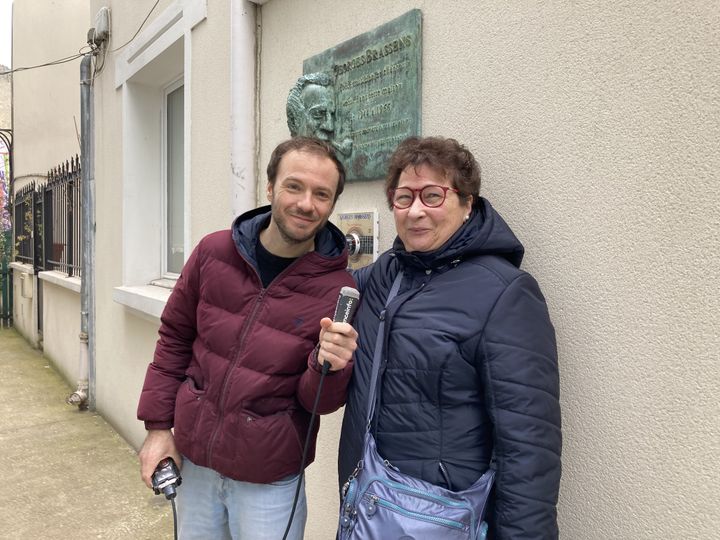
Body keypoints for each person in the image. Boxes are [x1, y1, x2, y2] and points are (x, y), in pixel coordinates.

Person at [338, 136, 562, 538]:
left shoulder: (504, 293)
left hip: (439, 519)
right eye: (404, 198)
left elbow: (529, 446)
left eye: (433, 195)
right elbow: (312, 289)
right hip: (369, 507)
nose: (416, 211)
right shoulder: (387, 273)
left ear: (467, 204)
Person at [137, 137, 358, 540]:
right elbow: (173, 340)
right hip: (196, 463)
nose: (306, 204)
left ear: (331, 205)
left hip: (269, 480)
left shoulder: (337, 289)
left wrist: (331, 365)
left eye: (321, 194)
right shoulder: (213, 252)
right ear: (271, 187)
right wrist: (157, 428)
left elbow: (319, 403)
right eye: (294, 186)